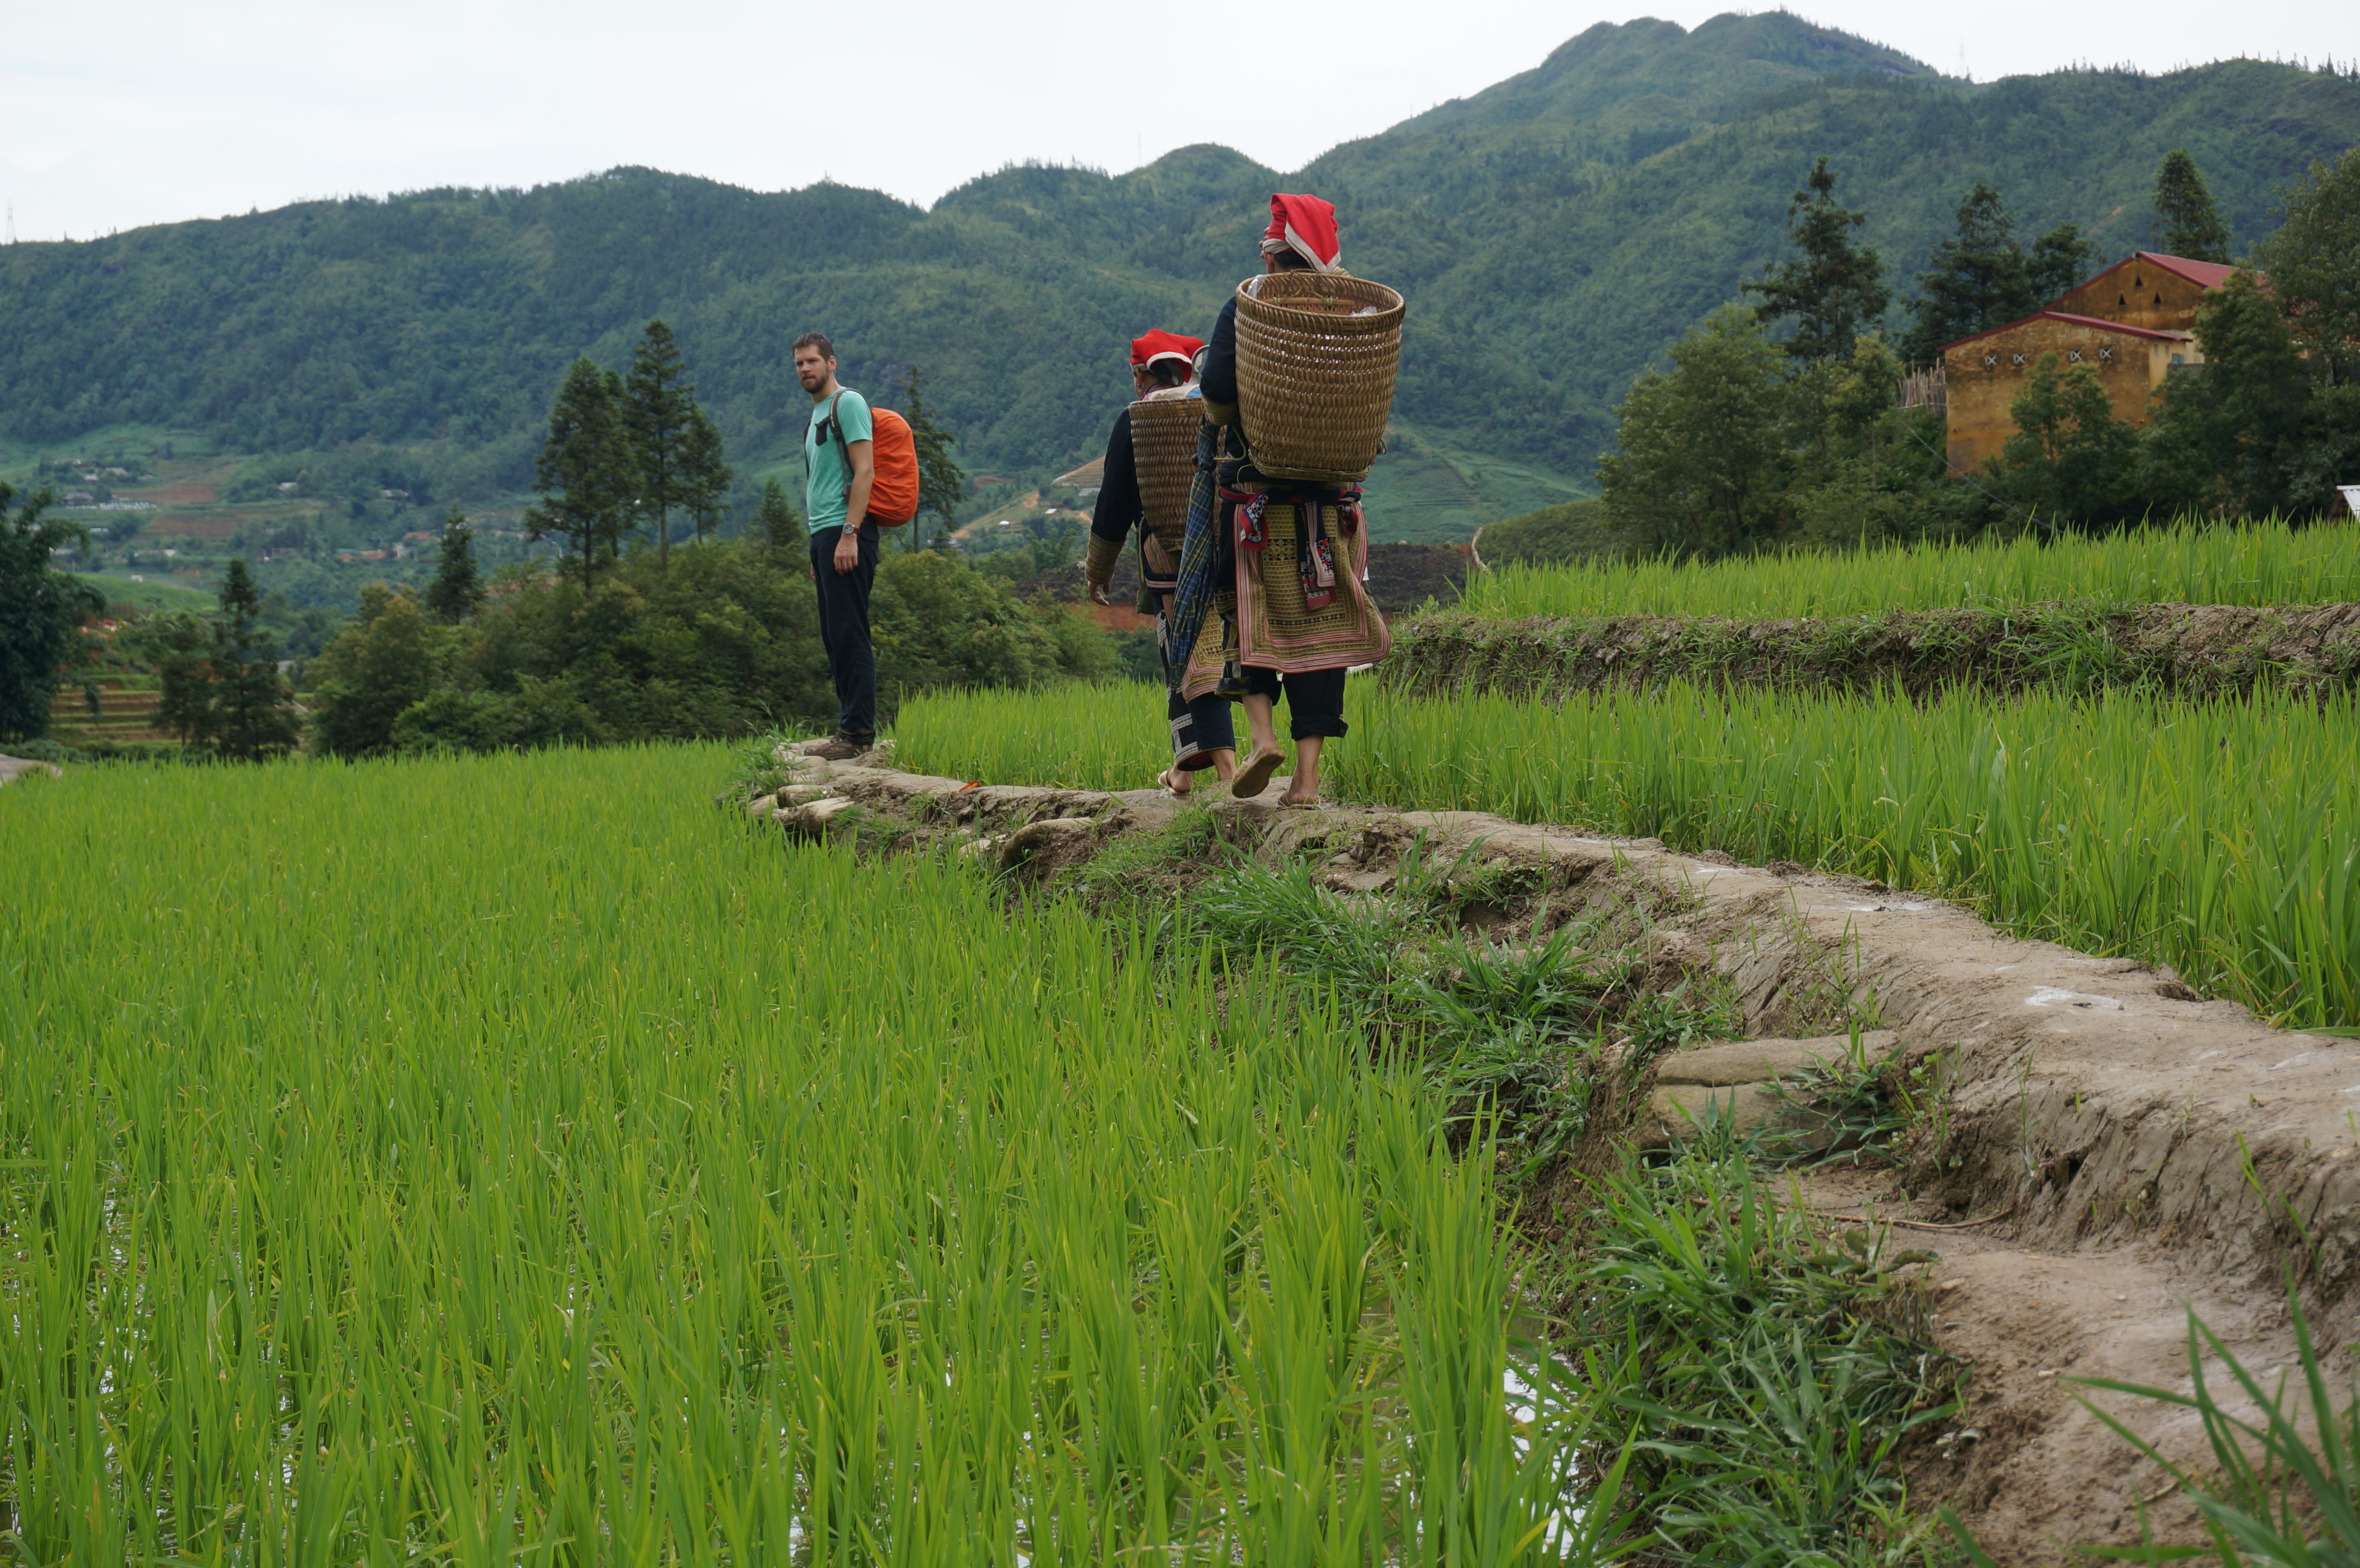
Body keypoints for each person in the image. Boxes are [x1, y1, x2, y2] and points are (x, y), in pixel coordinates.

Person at [1183, 192, 1391, 805]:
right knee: (1321, 628)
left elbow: (1217, 393)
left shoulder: (1249, 306)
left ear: (1274, 261)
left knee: (1246, 614)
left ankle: (1261, 737)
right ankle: (1306, 778)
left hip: (1255, 498)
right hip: (1332, 506)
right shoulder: (1357, 316)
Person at [1084, 329, 1238, 795]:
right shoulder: (1215, 409)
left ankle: (1230, 773)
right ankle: (1184, 770)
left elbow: (1114, 499)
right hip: (1231, 542)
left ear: (1140, 374)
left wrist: (1099, 568)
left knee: (1190, 653)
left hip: (1170, 555)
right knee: (1219, 648)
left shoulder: (1139, 417)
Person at [793, 332, 879, 760]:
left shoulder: (848, 404)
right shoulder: (816, 415)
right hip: (824, 535)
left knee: (850, 632)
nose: (806, 369)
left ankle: (859, 734)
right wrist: (819, 548)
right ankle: (849, 728)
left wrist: (849, 533)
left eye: (812, 361)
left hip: (848, 531)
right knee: (834, 634)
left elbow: (865, 472)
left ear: (832, 363)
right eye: (799, 364)